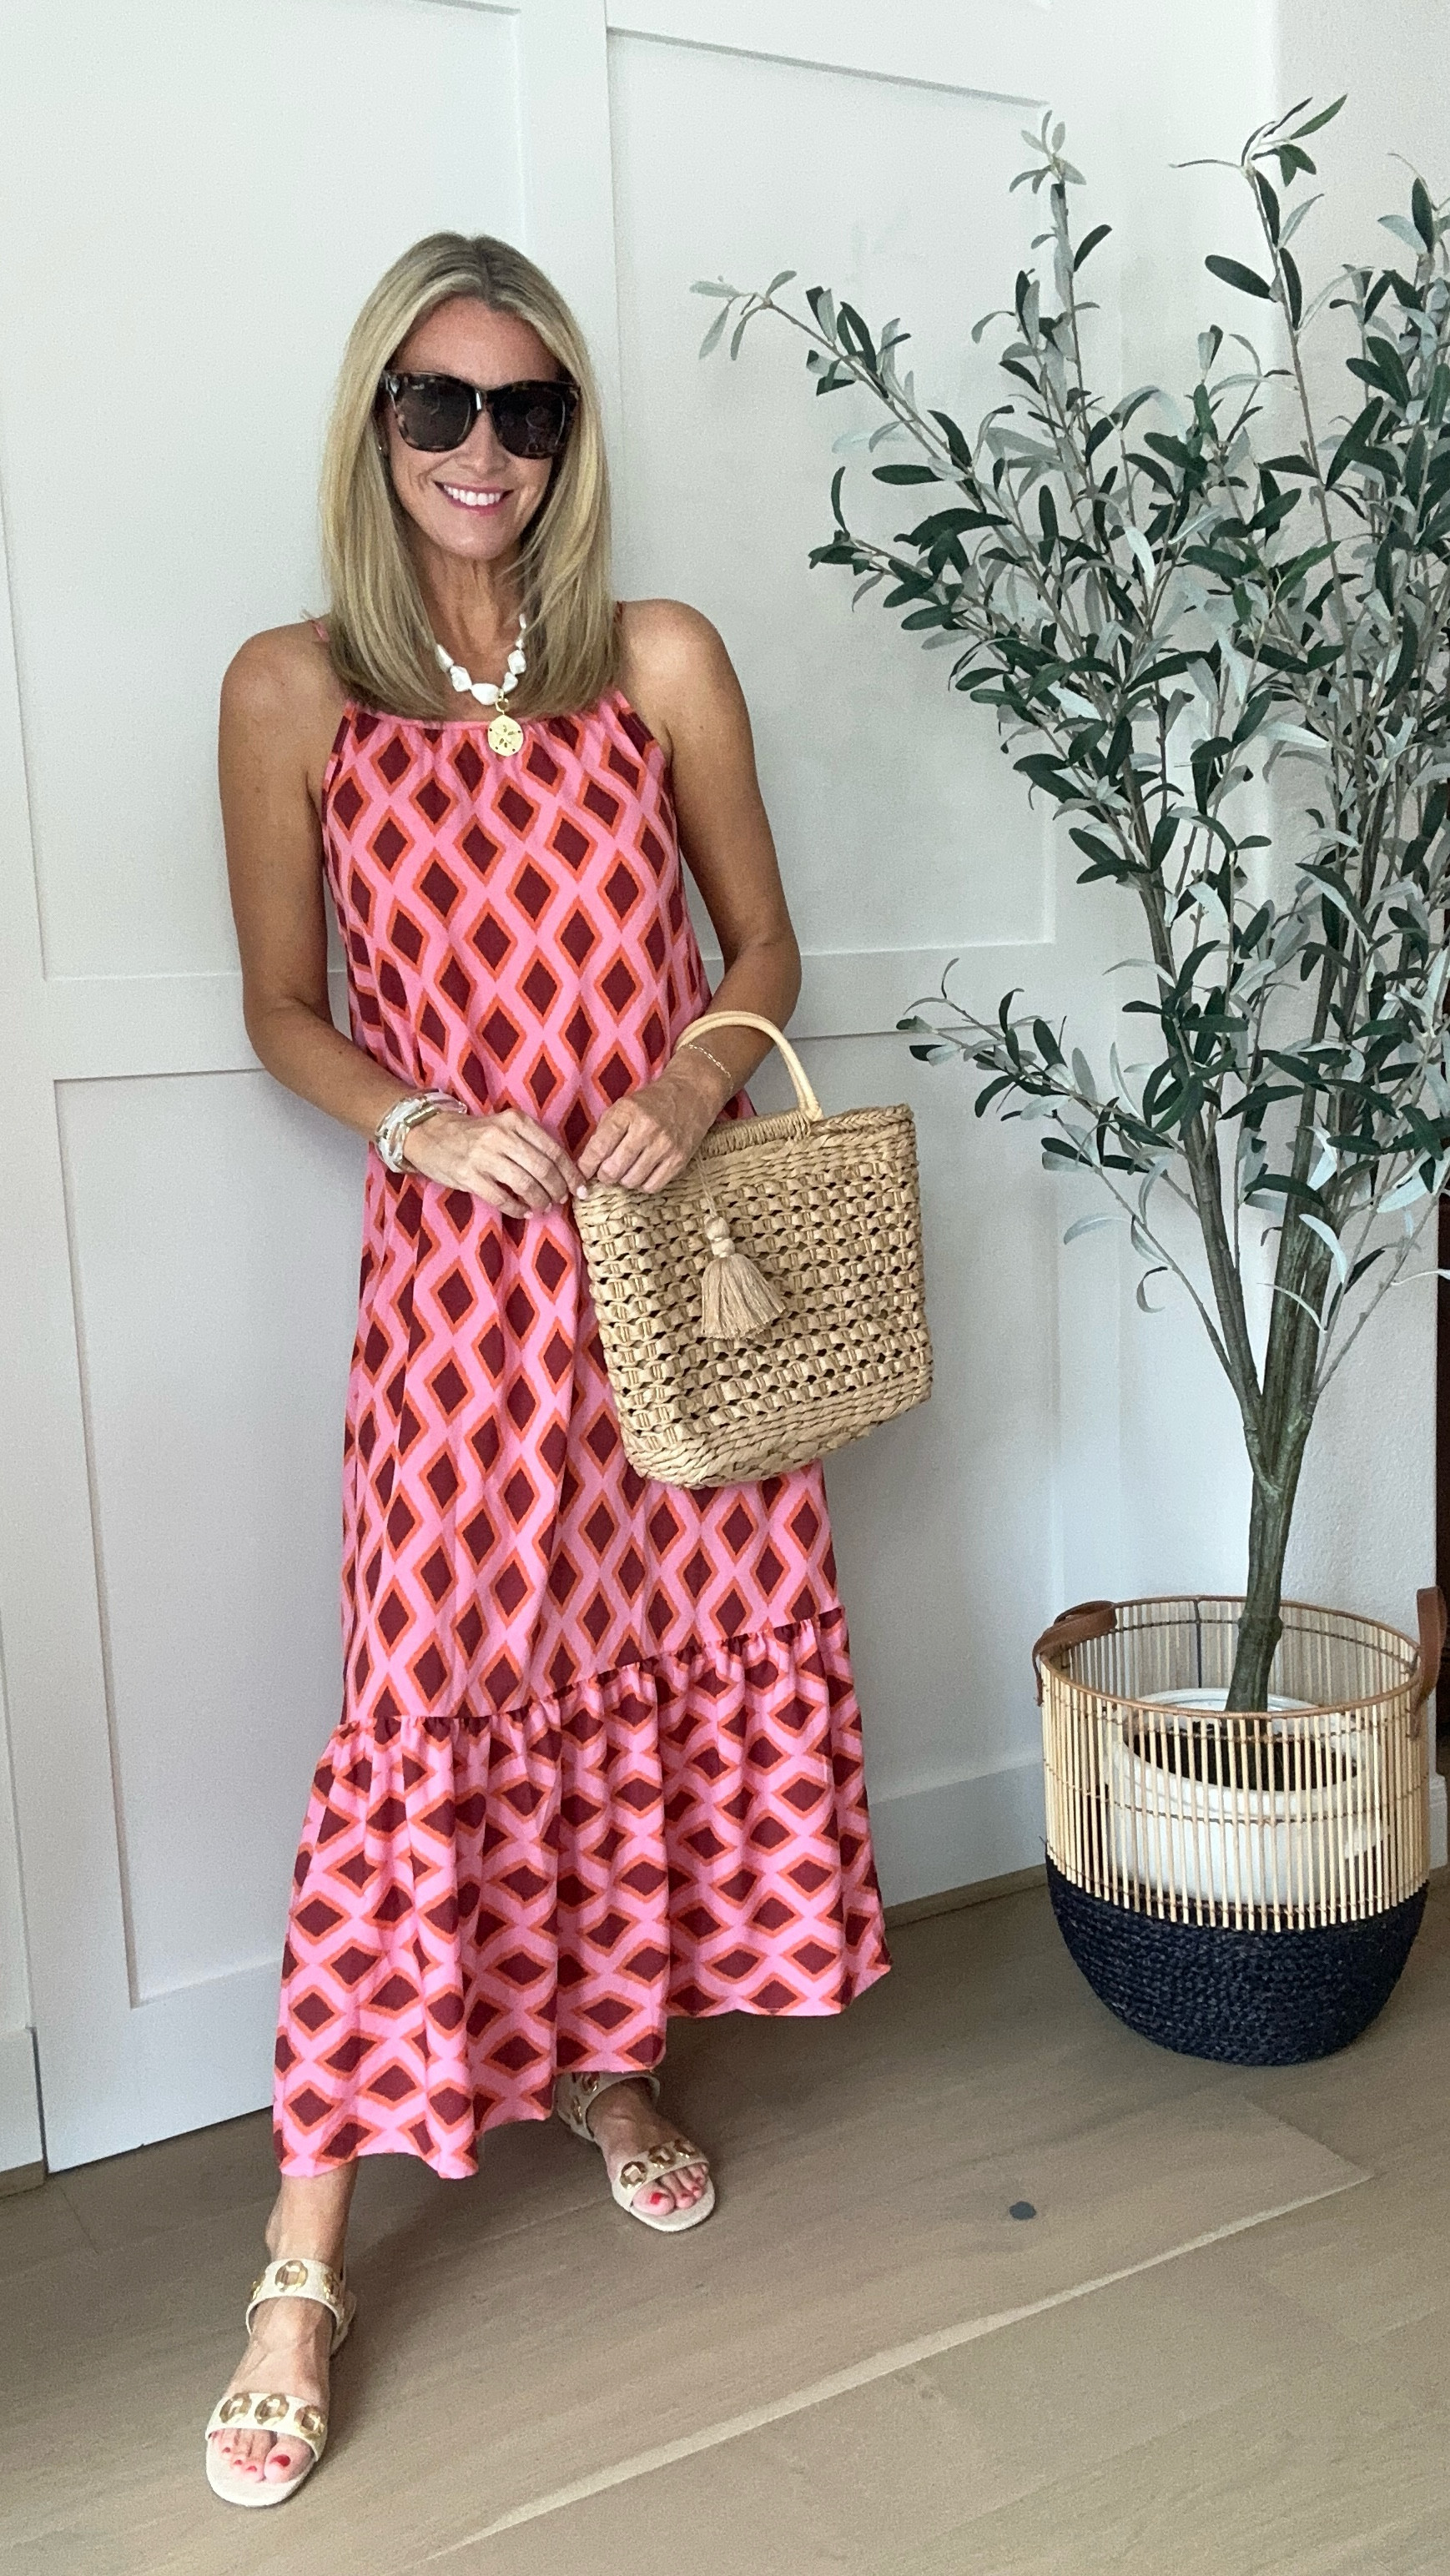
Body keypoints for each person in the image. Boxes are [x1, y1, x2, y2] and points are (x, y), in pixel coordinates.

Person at [204, 230, 890, 2508]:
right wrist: (417, 1118)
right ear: (377, 425)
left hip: (669, 1269)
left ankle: (609, 2062)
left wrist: (694, 1076)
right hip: (461, 1295)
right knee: (427, 1702)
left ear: (568, 437)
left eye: (527, 409)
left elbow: (762, 939)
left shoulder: (658, 658)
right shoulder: (293, 689)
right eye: (439, 404)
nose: (482, 449)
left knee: (653, 1654)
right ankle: (300, 2267)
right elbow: (278, 1008)